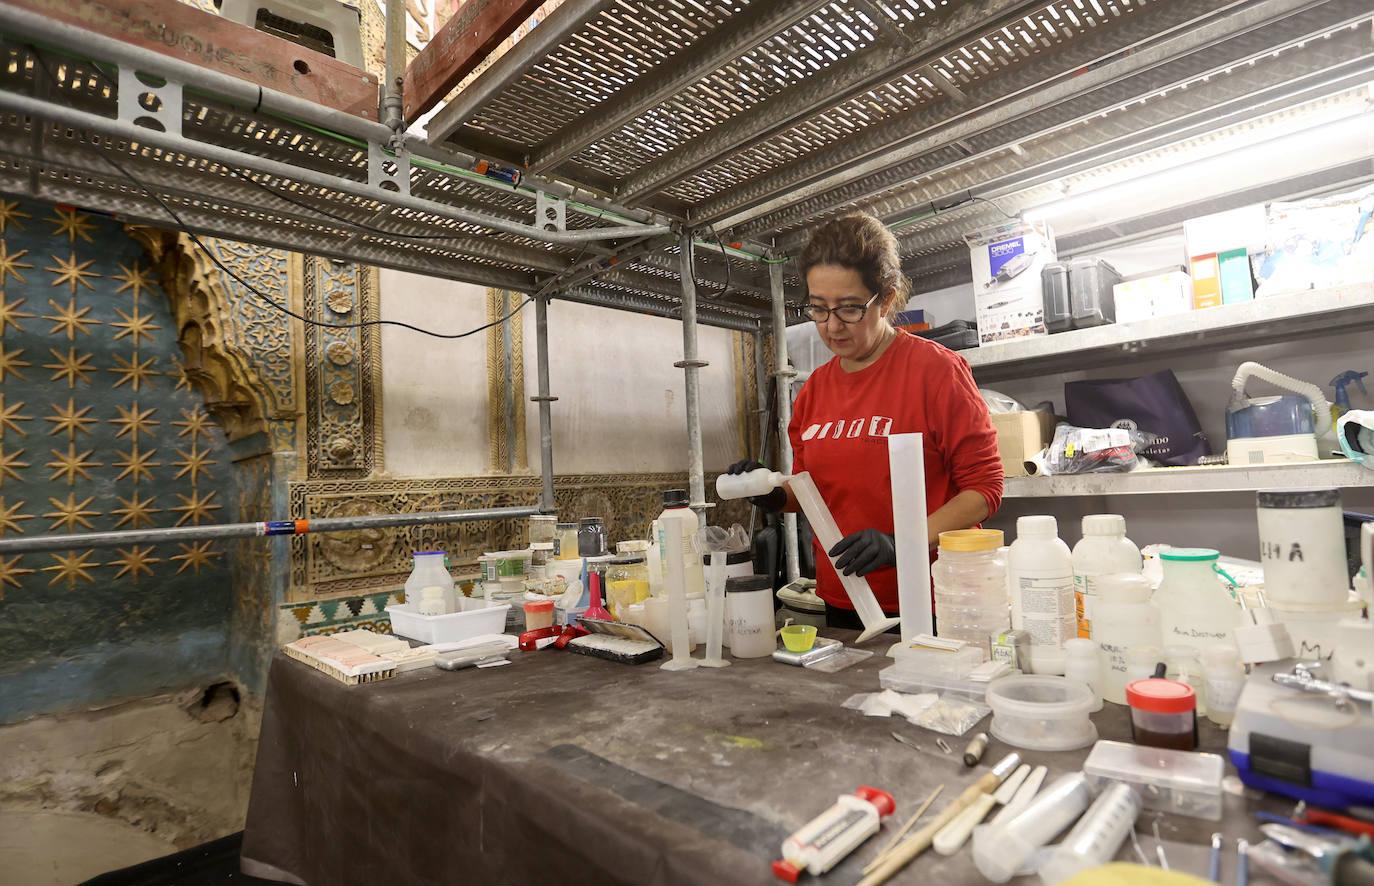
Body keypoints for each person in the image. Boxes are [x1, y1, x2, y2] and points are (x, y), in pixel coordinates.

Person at [728, 212, 1003, 629]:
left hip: (933, 598)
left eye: (849, 309)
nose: (832, 326)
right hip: (845, 595)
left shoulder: (936, 371)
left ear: (886, 300)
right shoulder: (815, 389)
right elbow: (812, 490)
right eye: (819, 309)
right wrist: (772, 492)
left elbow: (984, 490)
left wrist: (902, 542)